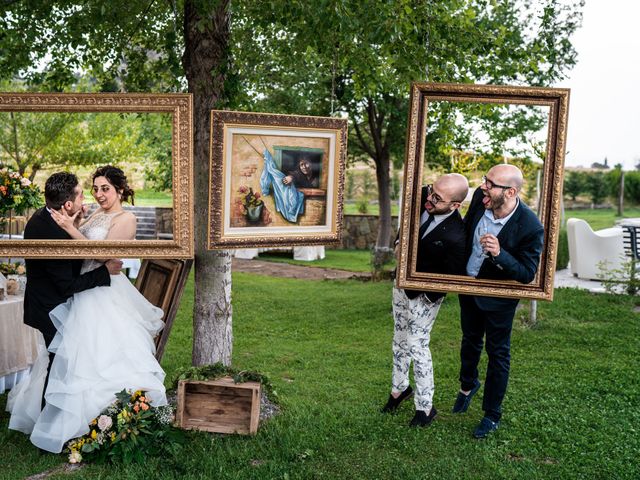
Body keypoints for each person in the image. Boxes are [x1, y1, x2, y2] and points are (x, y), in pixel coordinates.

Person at [8, 166, 167, 453]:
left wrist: (71, 227)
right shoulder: (87, 216)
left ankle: (100, 419)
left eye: (105, 188)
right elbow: (79, 254)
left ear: (120, 190)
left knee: (100, 355)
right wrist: (75, 225)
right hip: (76, 292)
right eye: (94, 188)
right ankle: (60, 420)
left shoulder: (126, 218)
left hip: (102, 295)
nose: (98, 194)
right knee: (70, 358)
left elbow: (105, 253)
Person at [452, 164, 543, 439]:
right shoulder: (482, 202)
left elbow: (527, 273)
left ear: (511, 191)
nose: (482, 188)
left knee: (498, 354)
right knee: (469, 339)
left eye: (490, 184)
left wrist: (501, 254)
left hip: (499, 302)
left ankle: (492, 414)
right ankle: (468, 384)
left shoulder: (529, 226)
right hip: (468, 289)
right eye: (485, 181)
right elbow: (466, 233)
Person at [381, 173, 468, 427]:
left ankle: (425, 407)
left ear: (455, 205)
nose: (429, 199)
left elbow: (451, 277)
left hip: (425, 297)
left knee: (417, 347)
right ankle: (399, 390)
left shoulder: (457, 235)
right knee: (399, 339)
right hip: (399, 285)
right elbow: (407, 220)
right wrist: (398, 242)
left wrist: (425, 298)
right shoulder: (421, 196)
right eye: (432, 190)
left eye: (438, 198)